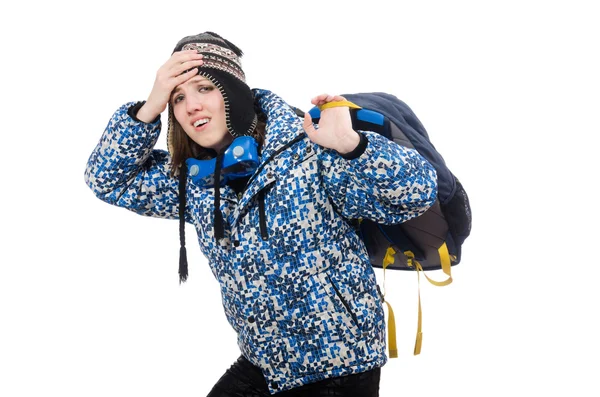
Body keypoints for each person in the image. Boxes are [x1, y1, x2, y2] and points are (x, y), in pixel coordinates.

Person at [84, 31, 438, 396]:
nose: (191, 107)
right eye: (178, 97)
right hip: (265, 362)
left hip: (338, 367)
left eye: (205, 88)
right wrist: (148, 107)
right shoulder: (197, 179)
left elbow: (416, 193)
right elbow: (107, 180)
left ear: (233, 93)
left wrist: (352, 146)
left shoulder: (310, 150)